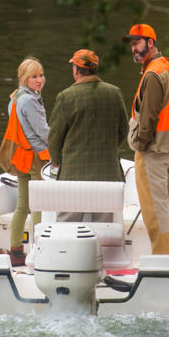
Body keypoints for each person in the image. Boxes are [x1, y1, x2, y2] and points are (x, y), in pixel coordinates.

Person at [123, 24, 169, 255]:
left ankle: (164, 261)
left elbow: (148, 118)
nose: (134, 48)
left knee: (155, 212)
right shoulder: (167, 68)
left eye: (137, 43)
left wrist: (140, 147)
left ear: (150, 43)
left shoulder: (152, 74)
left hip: (153, 153)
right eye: (132, 44)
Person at [47, 49, 129, 222]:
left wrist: (55, 160)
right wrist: (109, 149)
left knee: (67, 226)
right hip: (107, 174)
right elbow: (124, 130)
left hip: (73, 175)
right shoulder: (114, 93)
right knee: (105, 227)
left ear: (76, 70)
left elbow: (54, 138)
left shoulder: (65, 97)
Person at [0, 56, 50, 266]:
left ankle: (16, 251)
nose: (39, 80)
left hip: (20, 156)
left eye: (41, 75)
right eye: (33, 76)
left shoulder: (15, 98)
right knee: (38, 205)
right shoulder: (29, 100)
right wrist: (60, 144)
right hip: (36, 157)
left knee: (22, 205)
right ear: (24, 78)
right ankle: (38, 250)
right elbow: (43, 131)